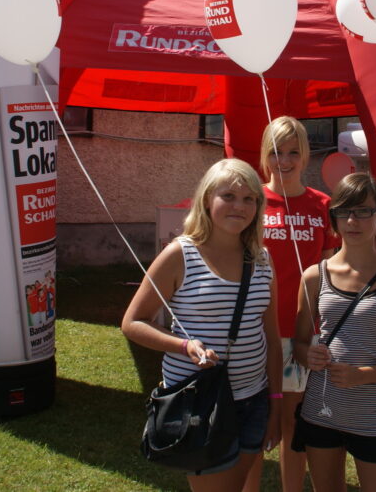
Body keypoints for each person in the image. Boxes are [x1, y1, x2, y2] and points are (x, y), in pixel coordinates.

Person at [121, 158, 283, 491]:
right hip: (200, 404)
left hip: (253, 402)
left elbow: (271, 337)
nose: (239, 206)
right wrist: (183, 345)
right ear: (207, 200)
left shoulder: (263, 259)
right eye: (228, 196)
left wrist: (276, 403)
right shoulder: (180, 254)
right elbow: (133, 322)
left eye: (249, 198)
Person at [292, 172, 376, 492]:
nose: (353, 220)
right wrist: (307, 354)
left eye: (363, 211)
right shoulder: (314, 276)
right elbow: (296, 345)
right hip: (320, 413)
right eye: (343, 211)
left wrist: (362, 375)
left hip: (373, 418)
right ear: (333, 218)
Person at [244, 117, 339, 492]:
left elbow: (332, 273)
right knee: (253, 425)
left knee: (293, 425)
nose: (283, 160)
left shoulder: (322, 205)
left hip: (302, 335)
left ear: (305, 156)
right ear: (264, 155)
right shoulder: (251, 201)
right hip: (256, 333)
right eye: (275, 152)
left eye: (293, 152)